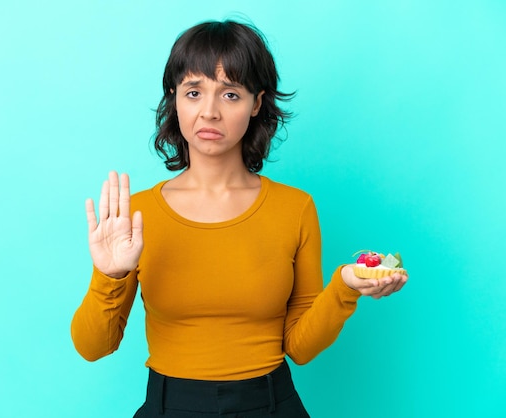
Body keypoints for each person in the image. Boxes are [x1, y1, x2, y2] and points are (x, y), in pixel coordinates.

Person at [71, 20, 407, 417]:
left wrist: (344, 287)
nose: (209, 112)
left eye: (230, 94)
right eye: (194, 92)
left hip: (271, 404)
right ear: (175, 99)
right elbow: (93, 348)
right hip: (170, 406)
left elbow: (299, 348)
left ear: (256, 103)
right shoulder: (137, 215)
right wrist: (109, 277)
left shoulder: (294, 208)